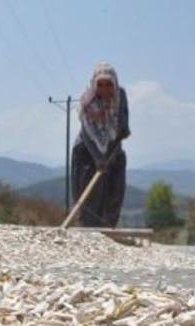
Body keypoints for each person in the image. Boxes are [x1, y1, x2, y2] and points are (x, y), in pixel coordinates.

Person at [71, 62, 130, 228]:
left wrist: (117, 141)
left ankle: (108, 231)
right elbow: (87, 132)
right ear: (94, 84)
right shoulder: (88, 101)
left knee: (115, 192)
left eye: (108, 84)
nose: (104, 88)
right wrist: (98, 158)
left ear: (115, 83)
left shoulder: (121, 96)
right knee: (92, 196)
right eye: (100, 84)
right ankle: (89, 232)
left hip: (114, 147)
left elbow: (123, 123)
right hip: (87, 151)